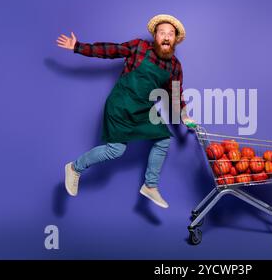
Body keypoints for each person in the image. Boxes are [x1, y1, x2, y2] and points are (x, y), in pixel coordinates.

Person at [56, 14, 195, 208]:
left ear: (175, 40)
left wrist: (185, 116)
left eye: (170, 34)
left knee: (163, 139)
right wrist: (78, 47)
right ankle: (74, 167)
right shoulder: (139, 47)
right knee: (116, 150)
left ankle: (150, 186)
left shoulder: (174, 66)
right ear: (155, 36)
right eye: (162, 32)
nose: (166, 37)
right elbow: (109, 50)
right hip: (121, 105)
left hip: (144, 110)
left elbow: (175, 94)